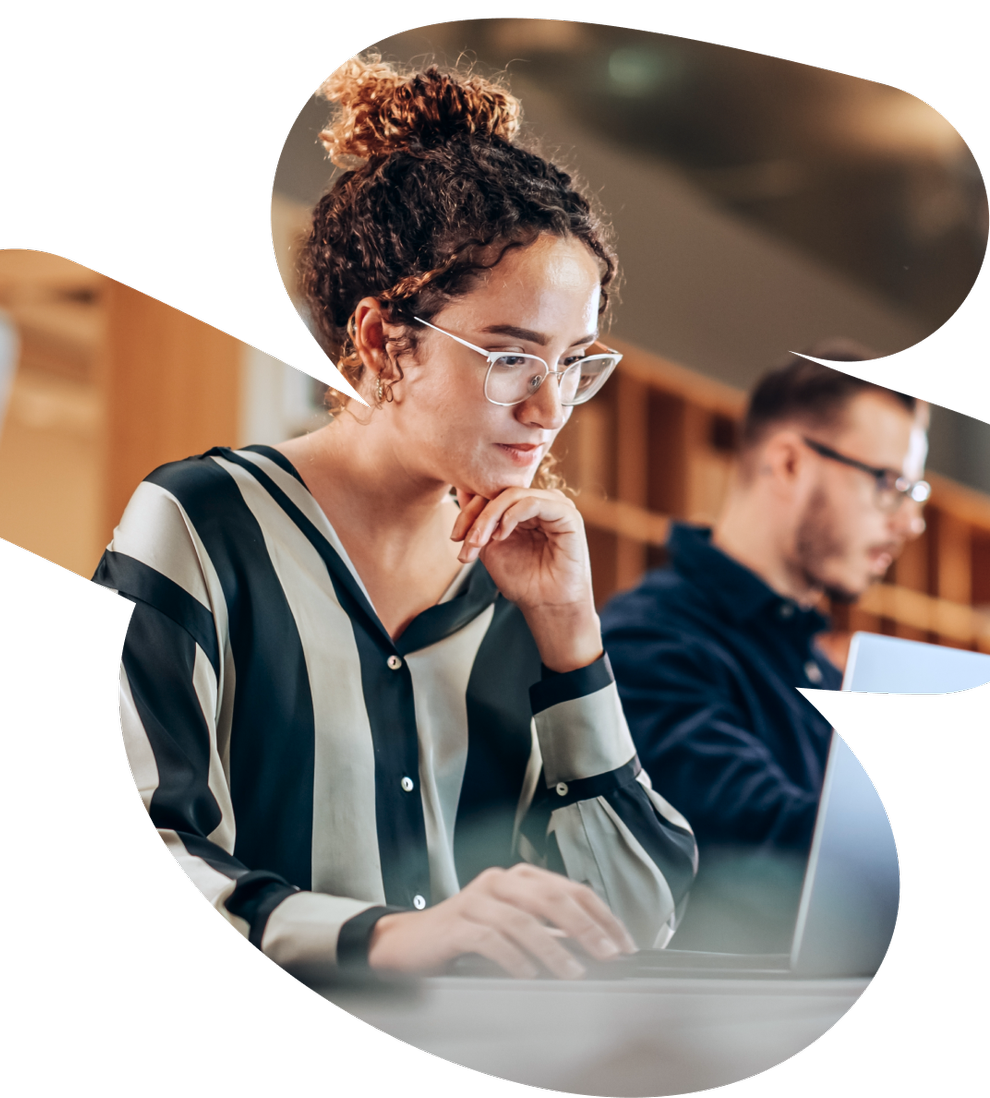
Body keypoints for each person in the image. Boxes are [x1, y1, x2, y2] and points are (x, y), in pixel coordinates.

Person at [97, 55, 697, 980]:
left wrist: (571, 635)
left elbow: (633, 920)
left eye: (575, 365)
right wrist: (387, 939)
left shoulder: (518, 586)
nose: (550, 410)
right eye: (510, 359)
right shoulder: (201, 524)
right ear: (381, 340)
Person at [600, 345, 928, 949]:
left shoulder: (821, 671)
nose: (909, 522)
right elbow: (762, 843)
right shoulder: (647, 641)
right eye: (890, 484)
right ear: (789, 463)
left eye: (914, 493)